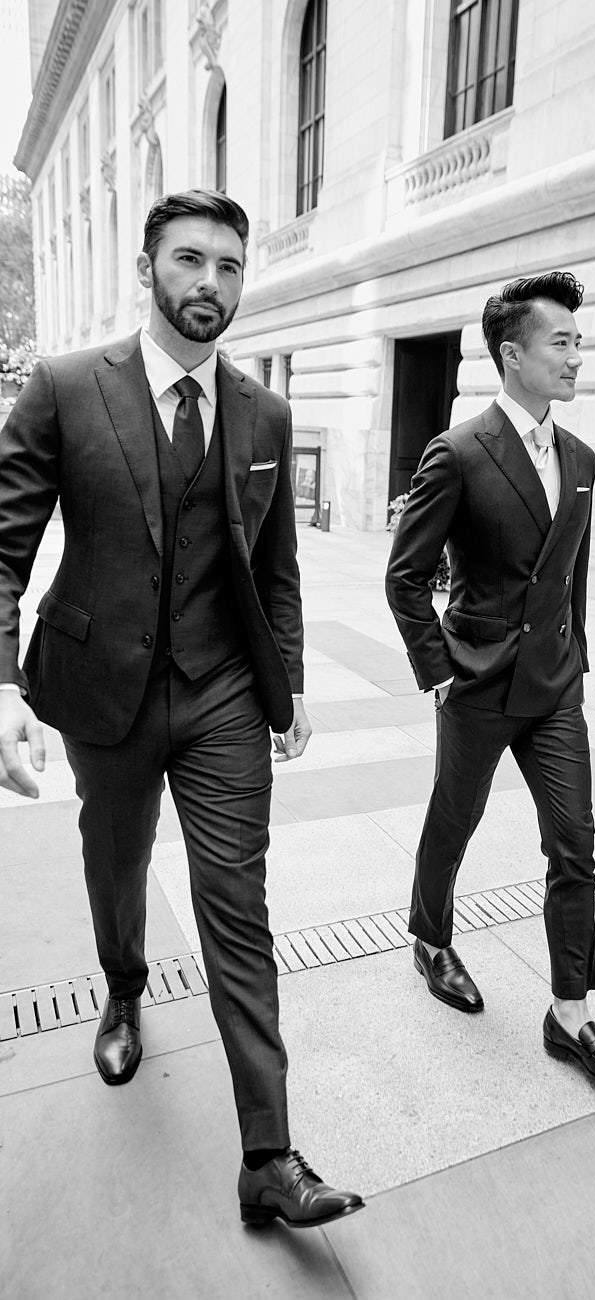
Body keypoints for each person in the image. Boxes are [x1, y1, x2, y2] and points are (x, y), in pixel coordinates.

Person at [0, 189, 363, 1227]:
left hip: (221, 697)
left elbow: (276, 567)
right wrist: (2, 687)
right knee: (115, 867)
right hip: (102, 692)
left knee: (236, 905)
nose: (210, 283)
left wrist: (284, 683)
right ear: (147, 267)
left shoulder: (265, 412)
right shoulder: (68, 388)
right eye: (190, 260)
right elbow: (4, 546)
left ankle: (268, 1155)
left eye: (229, 266)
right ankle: (121, 987)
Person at [385, 271, 595, 1090]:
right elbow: (405, 576)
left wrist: (577, 657)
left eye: (579, 340)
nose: (578, 356)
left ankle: (570, 1013)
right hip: (476, 682)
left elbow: (567, 576)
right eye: (561, 342)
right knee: (453, 822)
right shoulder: (458, 452)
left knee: (575, 842)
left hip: (553, 688)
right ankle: (430, 938)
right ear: (513, 354)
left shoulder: (581, 456)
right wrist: (438, 673)